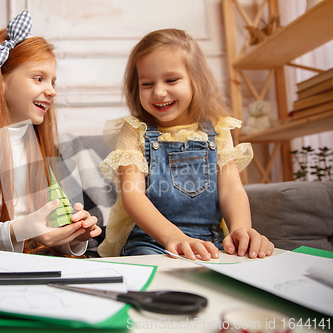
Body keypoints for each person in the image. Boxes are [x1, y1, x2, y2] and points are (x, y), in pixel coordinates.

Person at [98, 29, 274, 260]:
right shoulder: (135, 129)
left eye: (171, 80)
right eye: (147, 83)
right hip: (151, 240)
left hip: (210, 240)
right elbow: (134, 196)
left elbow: (231, 189)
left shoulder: (218, 128)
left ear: (196, 81)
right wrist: (173, 237)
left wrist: (241, 229)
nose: (159, 92)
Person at [0, 10, 100, 257]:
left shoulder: (35, 140)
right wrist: (18, 230)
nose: (51, 91)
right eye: (39, 78)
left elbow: (45, 234)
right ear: (0, 81)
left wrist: (72, 236)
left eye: (53, 82)